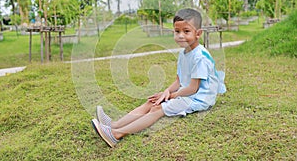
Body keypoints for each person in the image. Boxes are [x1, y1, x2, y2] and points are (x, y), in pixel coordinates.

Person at [91, 8, 226, 148]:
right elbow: (179, 81)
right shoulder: (183, 53)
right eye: (177, 31)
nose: (180, 36)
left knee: (157, 109)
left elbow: (193, 88)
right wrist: (165, 92)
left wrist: (171, 96)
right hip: (187, 93)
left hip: (199, 98)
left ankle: (116, 134)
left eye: (186, 31)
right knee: (152, 102)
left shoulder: (200, 57)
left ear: (198, 33)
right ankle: (114, 124)